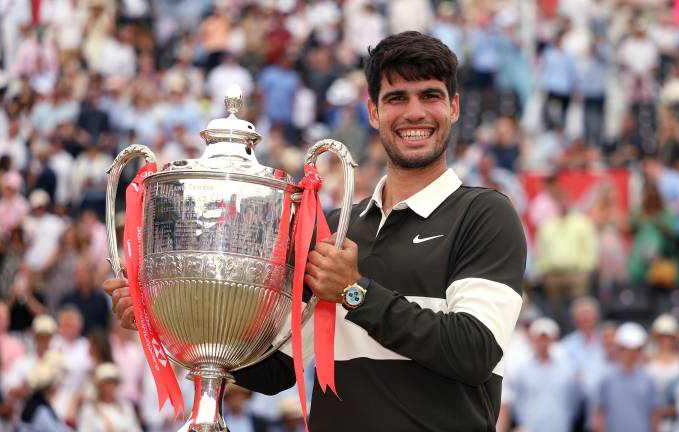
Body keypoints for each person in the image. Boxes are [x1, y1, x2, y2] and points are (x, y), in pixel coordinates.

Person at [104, 31, 526, 431]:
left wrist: (356, 292)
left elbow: (475, 350)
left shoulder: (484, 214)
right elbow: (275, 369)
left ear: (453, 107)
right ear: (374, 112)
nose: (414, 112)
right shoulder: (337, 227)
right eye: (397, 98)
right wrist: (162, 317)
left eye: (429, 96)